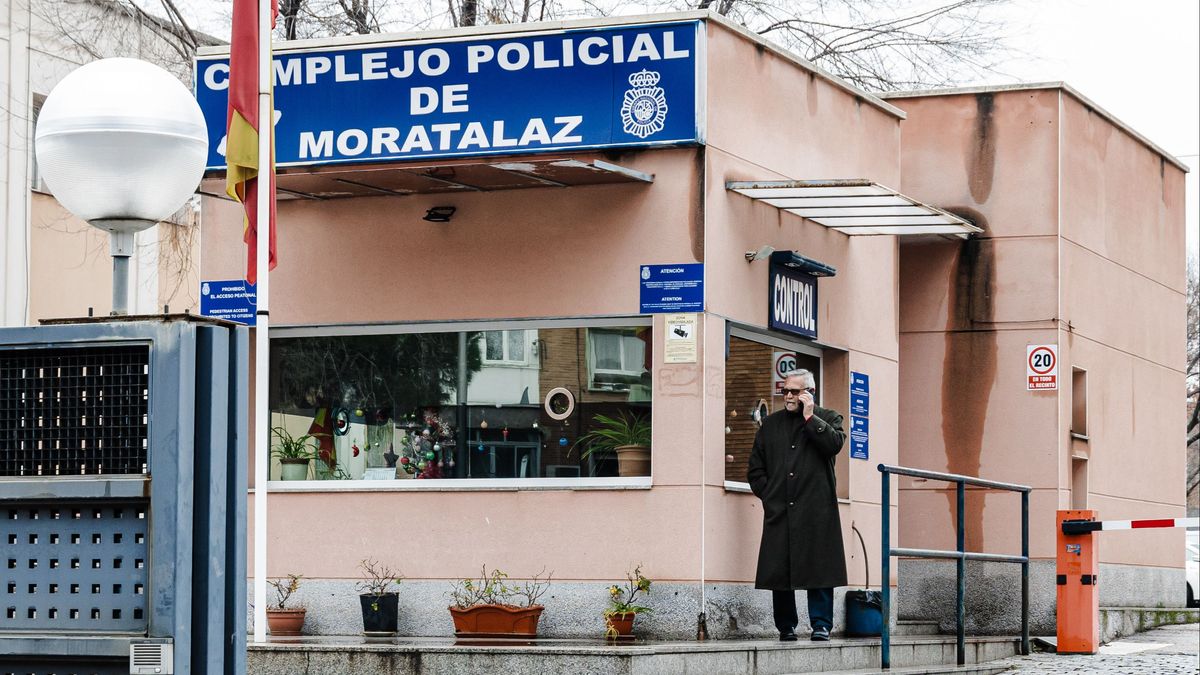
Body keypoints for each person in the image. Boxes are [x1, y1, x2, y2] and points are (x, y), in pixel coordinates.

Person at [747, 368, 847, 642]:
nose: (788, 396)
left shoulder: (828, 418)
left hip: (817, 511)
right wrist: (769, 495)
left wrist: (809, 417)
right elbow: (755, 469)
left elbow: (834, 445)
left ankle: (821, 625)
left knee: (820, 571)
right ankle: (786, 626)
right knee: (780, 572)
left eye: (794, 391)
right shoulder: (771, 424)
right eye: (785, 391)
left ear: (809, 393)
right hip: (780, 509)